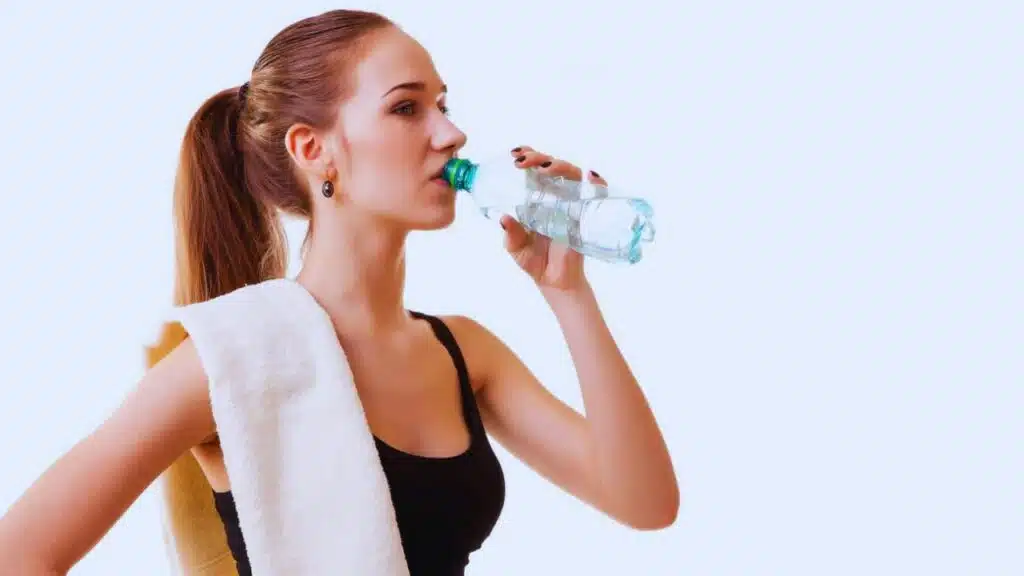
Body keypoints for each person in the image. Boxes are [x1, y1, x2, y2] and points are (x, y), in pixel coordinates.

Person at [0, 9, 679, 576]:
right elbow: (20, 554)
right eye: (406, 108)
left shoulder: (464, 352)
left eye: (443, 105)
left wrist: (567, 292)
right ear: (312, 149)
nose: (452, 133)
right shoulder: (235, 356)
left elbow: (645, 503)